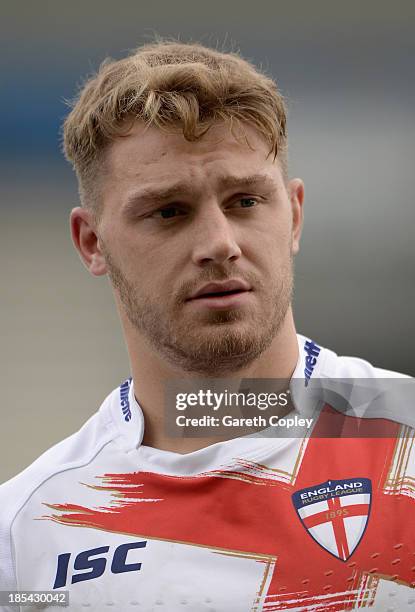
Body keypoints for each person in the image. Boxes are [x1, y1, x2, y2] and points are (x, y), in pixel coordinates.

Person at [0, 40, 414, 612]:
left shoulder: (406, 446)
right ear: (92, 242)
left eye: (245, 201)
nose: (219, 243)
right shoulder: (25, 532)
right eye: (169, 211)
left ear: (293, 215)